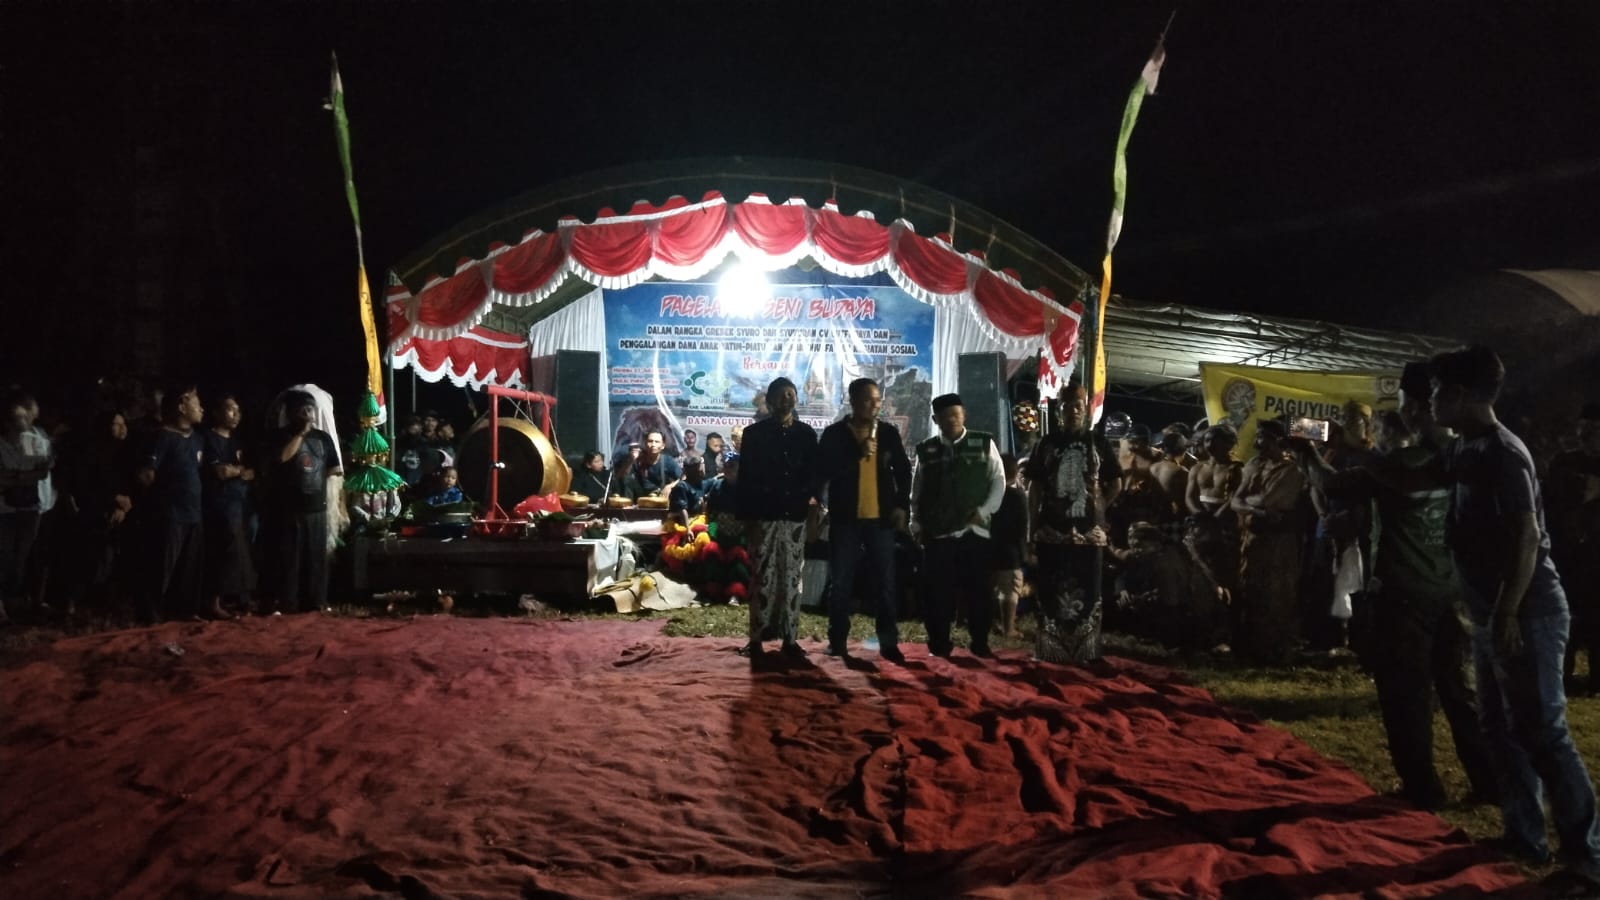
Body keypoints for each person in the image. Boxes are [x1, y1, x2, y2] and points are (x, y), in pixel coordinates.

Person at [1430, 346, 1600, 885]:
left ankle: (1587, 857)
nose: (1430, 402)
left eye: (1436, 392)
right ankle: (1524, 834)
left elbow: (1526, 537)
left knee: (1544, 732)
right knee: (1500, 727)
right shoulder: (1465, 448)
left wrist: (1506, 611)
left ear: (1460, 394)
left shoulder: (1505, 453)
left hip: (1528, 612)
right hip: (1493, 612)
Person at [1296, 363, 1496, 810]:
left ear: (1417, 408)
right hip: (1450, 589)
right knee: (1458, 691)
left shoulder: (1402, 465)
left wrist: (1306, 451)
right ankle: (1488, 780)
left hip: (1404, 592)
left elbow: (1333, 484)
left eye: (1404, 403)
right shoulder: (1462, 456)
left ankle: (1422, 787)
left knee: (1406, 692)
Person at [814, 377, 912, 663]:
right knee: (841, 582)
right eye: (869, 399)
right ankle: (837, 641)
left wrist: (901, 506)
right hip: (845, 519)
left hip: (880, 520)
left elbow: (903, 472)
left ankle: (888, 643)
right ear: (853, 401)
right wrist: (857, 453)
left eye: (878, 400)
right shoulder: (834, 434)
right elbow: (824, 472)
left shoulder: (889, 433)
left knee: (885, 582)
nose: (875, 405)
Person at [1026, 380, 1120, 663]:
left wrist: (1099, 506)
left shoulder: (1099, 443)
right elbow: (1035, 488)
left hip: (1089, 531)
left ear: (1085, 409)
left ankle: (1085, 651)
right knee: (1050, 587)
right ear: (1059, 411)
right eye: (1067, 406)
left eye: (1078, 406)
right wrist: (1032, 525)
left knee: (1089, 588)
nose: (1073, 411)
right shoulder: (1047, 443)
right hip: (1052, 528)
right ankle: (1050, 649)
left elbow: (1115, 482)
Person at [914, 392, 1006, 658]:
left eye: (956, 415)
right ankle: (939, 644)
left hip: (973, 530)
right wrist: (915, 522)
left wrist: (984, 511)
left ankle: (980, 642)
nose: (951, 420)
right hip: (937, 532)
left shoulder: (983, 443)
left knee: (978, 590)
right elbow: (917, 489)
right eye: (945, 416)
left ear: (964, 415)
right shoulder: (927, 450)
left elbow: (998, 480)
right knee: (937, 592)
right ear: (936, 420)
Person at [736, 377, 819, 664]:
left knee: (792, 579)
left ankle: (790, 640)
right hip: (764, 516)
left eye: (791, 394)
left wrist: (811, 509)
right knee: (762, 577)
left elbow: (813, 477)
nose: (787, 398)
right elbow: (745, 479)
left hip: (794, 517)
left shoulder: (806, 434)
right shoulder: (754, 434)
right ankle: (756, 640)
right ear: (770, 401)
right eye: (781, 395)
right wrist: (747, 519)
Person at [1229, 418, 1307, 664]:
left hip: (1278, 542)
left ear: (1276, 440)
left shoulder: (1291, 470)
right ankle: (1251, 647)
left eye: (1262, 436)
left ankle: (1274, 650)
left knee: (1276, 593)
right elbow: (1236, 501)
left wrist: (1251, 503)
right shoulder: (1254, 464)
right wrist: (1256, 508)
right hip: (1252, 539)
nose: (1257, 441)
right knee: (1250, 587)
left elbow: (1270, 501)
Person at [260, 390, 343, 614]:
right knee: (289, 559)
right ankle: (287, 602)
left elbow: (333, 469)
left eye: (310, 409)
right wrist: (300, 435)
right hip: (289, 509)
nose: (308, 413)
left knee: (315, 558)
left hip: (317, 508)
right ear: (291, 412)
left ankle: (316, 601)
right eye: (303, 409)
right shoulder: (279, 436)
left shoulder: (323, 438)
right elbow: (282, 458)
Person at [133, 385, 206, 623]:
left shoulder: (197, 439)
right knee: (161, 565)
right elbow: (146, 474)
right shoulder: (162, 436)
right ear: (181, 406)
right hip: (170, 513)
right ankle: (151, 613)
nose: (201, 408)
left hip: (193, 512)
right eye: (196, 403)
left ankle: (185, 611)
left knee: (190, 566)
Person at [1546, 402, 1600, 695]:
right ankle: (1560, 675)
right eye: (1584, 428)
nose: (1587, 435)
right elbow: (1549, 503)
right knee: (1564, 618)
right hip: (1568, 557)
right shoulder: (1565, 463)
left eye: (1594, 429)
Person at [0, 391, 53, 623]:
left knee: (19, 559)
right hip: (4, 510)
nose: (23, 422)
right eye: (17, 418)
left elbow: (41, 471)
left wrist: (15, 477)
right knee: (4, 557)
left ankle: (14, 601)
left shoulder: (33, 440)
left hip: (30, 508)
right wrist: (23, 476)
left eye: (24, 417)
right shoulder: (2, 444)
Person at [201, 395, 255, 618]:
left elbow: (250, 472)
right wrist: (238, 471)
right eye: (231, 409)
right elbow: (220, 471)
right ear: (216, 412)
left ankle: (240, 598)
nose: (236, 414)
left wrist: (237, 472)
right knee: (221, 551)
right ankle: (213, 601)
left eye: (238, 410)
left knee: (241, 551)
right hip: (218, 503)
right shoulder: (208, 438)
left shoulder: (238, 442)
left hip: (240, 502)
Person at [991, 453, 1029, 641]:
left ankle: (989, 623)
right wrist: (1024, 553)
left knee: (989, 588)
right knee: (1010, 590)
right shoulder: (1016, 496)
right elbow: (1022, 527)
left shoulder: (987, 492)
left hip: (988, 547)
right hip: (1009, 550)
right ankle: (1009, 628)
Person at [622, 430, 681, 500]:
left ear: (662, 446)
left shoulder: (667, 461)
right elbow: (622, 476)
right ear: (645, 444)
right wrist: (631, 460)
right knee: (628, 481)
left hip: (661, 498)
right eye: (650, 441)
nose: (653, 444)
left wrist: (670, 486)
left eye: (657, 442)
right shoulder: (638, 460)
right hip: (641, 498)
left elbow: (683, 478)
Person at [669, 455, 710, 527]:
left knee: (714, 527)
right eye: (700, 467)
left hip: (699, 520)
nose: (702, 469)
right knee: (703, 532)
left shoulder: (703, 484)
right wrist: (688, 529)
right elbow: (682, 509)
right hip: (683, 524)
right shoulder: (682, 486)